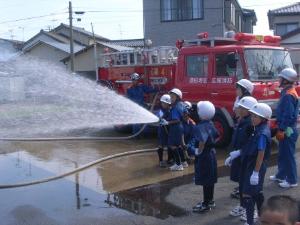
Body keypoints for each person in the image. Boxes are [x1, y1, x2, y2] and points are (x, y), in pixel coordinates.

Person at [225, 96, 258, 217]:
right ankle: (243, 206)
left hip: (247, 159)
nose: (238, 109)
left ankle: (251, 210)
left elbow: (252, 144)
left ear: (249, 111)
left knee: (247, 186)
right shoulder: (242, 121)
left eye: (242, 108)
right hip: (241, 158)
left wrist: (239, 152)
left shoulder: (250, 124)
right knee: (241, 184)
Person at [241, 103, 272, 225]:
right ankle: (262, 216)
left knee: (247, 194)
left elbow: (261, 153)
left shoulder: (262, 133)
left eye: (255, 116)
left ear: (263, 118)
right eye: (252, 115)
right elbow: (251, 147)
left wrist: (255, 172)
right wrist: (239, 153)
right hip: (253, 164)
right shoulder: (258, 129)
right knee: (257, 191)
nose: (252, 118)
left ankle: (250, 222)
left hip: (256, 165)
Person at [270, 68, 299, 188]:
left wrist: (281, 128)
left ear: (286, 80)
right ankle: (281, 175)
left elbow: (289, 115)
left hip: (288, 130)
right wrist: (276, 121)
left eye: (281, 78)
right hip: (286, 128)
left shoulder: (288, 95)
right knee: (282, 153)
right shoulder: (287, 92)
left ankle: (292, 180)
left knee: (288, 155)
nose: (279, 80)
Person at [192, 101, 219, 213]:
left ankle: (206, 203)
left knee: (205, 179)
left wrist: (198, 151)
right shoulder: (211, 123)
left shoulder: (200, 126)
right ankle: (210, 200)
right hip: (212, 154)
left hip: (205, 156)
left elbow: (202, 140)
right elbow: (217, 136)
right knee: (210, 179)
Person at [166, 88, 188, 171]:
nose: (171, 99)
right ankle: (183, 162)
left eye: (172, 97)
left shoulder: (175, 107)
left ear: (178, 97)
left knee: (172, 145)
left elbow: (177, 119)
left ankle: (178, 164)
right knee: (178, 145)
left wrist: (167, 123)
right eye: (170, 97)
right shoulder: (181, 104)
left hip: (175, 127)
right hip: (180, 127)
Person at [157, 94, 172, 167]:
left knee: (170, 145)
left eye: (164, 103)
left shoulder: (171, 110)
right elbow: (159, 118)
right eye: (162, 103)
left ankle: (169, 159)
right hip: (162, 130)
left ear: (168, 103)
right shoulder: (161, 111)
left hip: (169, 129)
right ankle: (161, 161)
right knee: (161, 145)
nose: (162, 104)